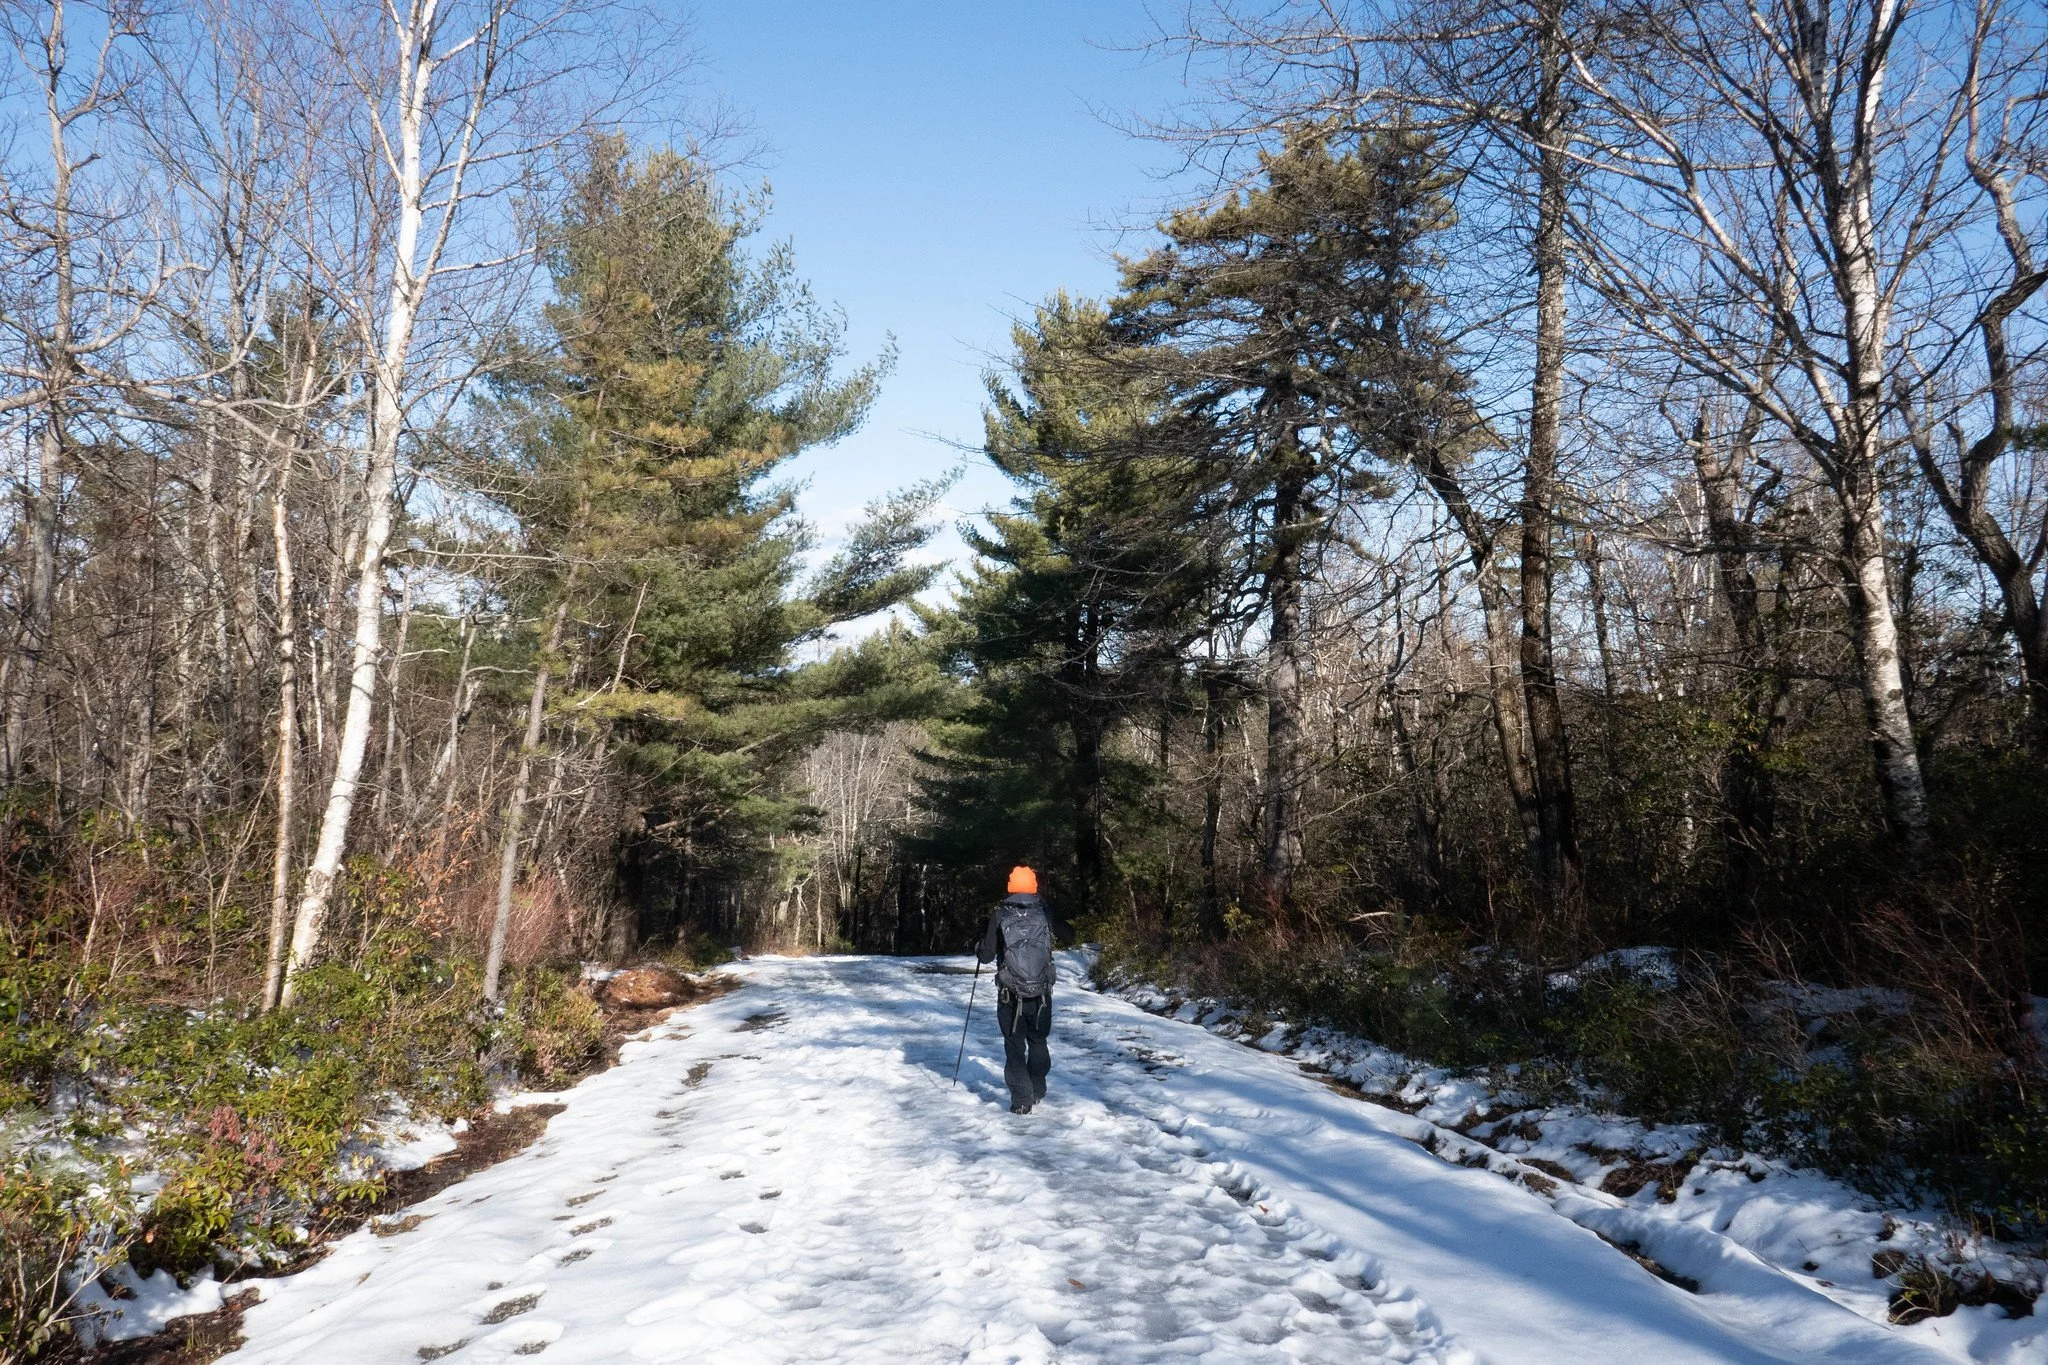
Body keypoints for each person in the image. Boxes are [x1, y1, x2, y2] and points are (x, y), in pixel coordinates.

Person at [975, 865, 1064, 1114]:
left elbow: (986, 955)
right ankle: (1037, 1089)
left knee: (1014, 1045)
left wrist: (979, 943)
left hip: (1010, 995)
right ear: (1034, 886)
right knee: (1038, 1040)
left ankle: (1022, 1100)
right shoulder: (1044, 912)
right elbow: (1069, 933)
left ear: (1011, 887)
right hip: (1042, 993)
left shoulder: (1000, 915)